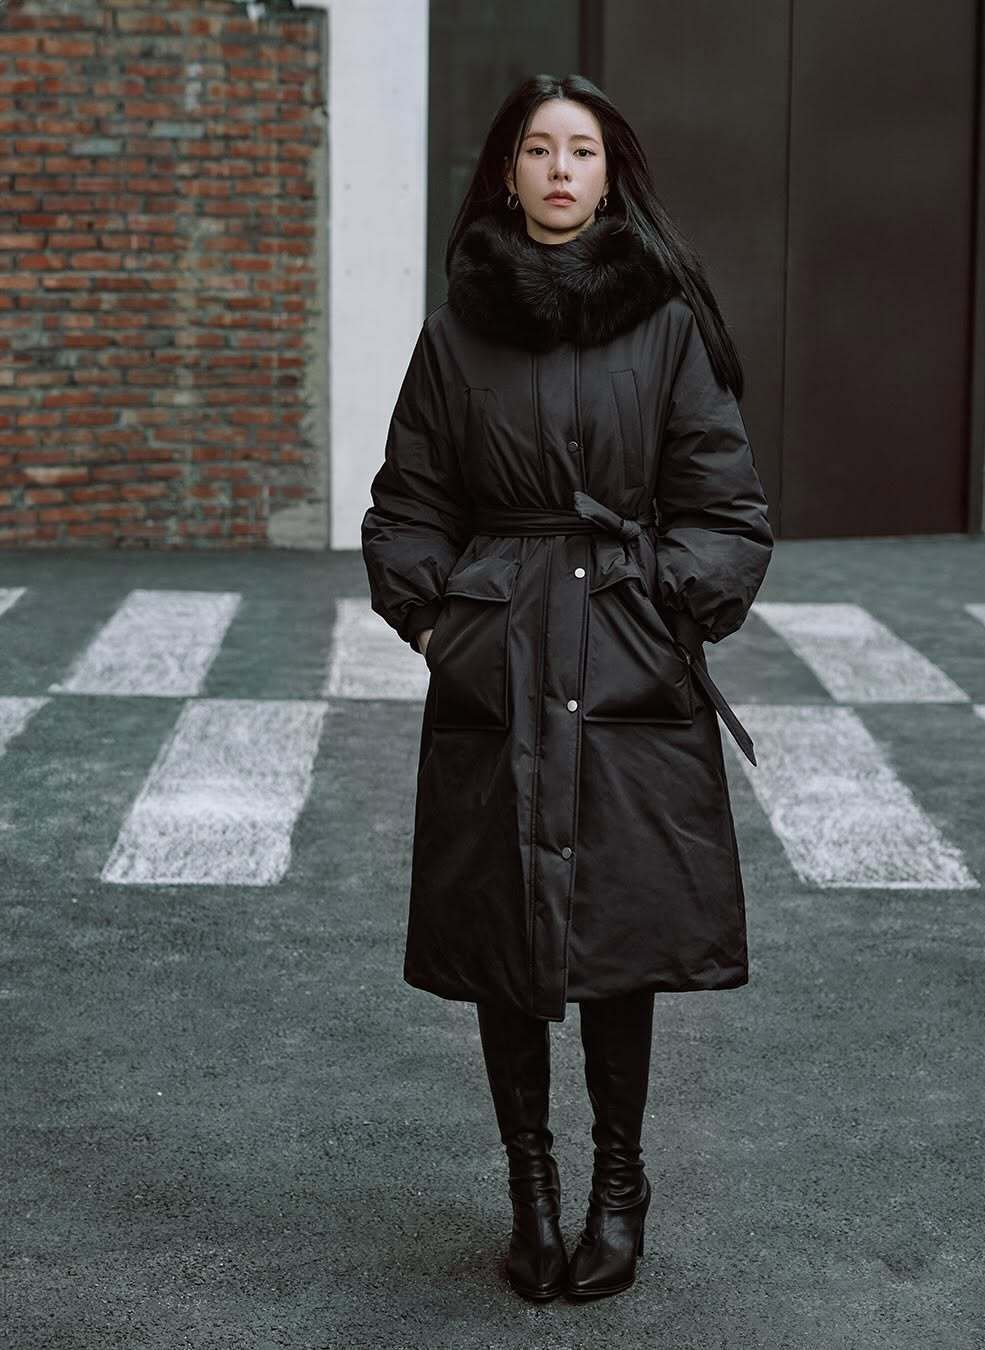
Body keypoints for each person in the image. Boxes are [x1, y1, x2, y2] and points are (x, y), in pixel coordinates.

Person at [361, 74, 774, 1302]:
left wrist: (665, 609)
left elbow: (726, 507)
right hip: (501, 659)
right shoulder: (456, 334)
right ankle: (530, 1190)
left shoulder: (666, 324)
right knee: (506, 931)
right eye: (538, 150)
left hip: (625, 651)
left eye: (580, 151)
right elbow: (409, 502)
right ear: (507, 172)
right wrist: (442, 628)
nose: (558, 170)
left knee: (618, 934)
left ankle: (619, 1186)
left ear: (609, 175)